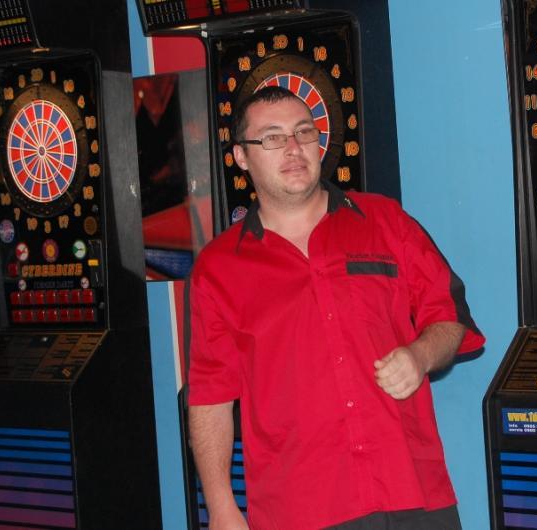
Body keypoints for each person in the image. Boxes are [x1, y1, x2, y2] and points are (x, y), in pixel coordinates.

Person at [188, 86, 484, 530]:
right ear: (242, 157)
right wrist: (221, 506)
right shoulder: (218, 269)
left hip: (412, 492)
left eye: (304, 131)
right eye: (272, 137)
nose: (293, 147)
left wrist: (420, 355)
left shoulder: (386, 221)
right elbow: (210, 396)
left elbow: (449, 316)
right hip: (301, 508)